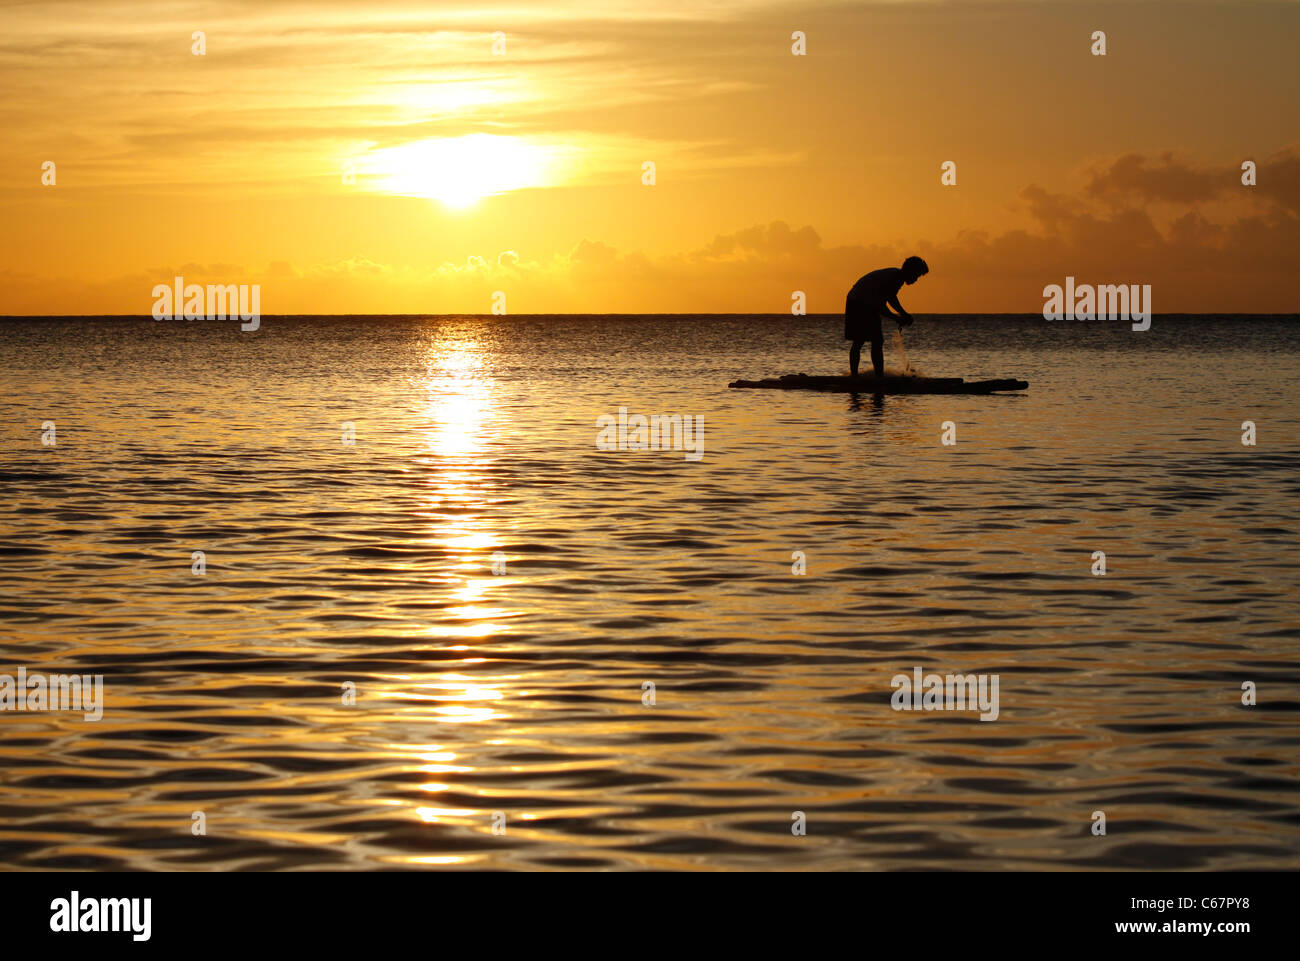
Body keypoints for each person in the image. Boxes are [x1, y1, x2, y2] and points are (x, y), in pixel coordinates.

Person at [844, 256, 929, 378]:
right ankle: (856, 377)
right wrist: (898, 317)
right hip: (857, 302)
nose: (916, 280)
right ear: (910, 271)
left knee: (876, 341)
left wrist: (903, 314)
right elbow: (882, 306)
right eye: (916, 275)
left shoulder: (897, 277)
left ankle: (877, 376)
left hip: (866, 302)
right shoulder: (894, 277)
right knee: (861, 341)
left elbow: (891, 299)